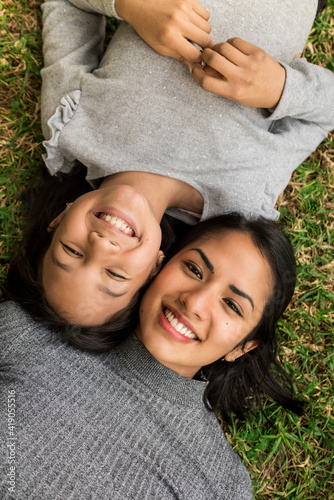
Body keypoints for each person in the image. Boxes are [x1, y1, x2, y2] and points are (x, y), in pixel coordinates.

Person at [8, 0, 334, 328]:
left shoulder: (69, 126)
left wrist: (130, 6)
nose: (101, 245)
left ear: (59, 219)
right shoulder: (240, 197)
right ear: (154, 270)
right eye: (115, 274)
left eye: (72, 251)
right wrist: (281, 88)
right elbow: (326, 114)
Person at [0, 214, 303, 499]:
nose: (195, 302)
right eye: (194, 269)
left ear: (243, 347)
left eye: (232, 305)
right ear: (161, 264)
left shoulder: (220, 483)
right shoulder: (27, 334)